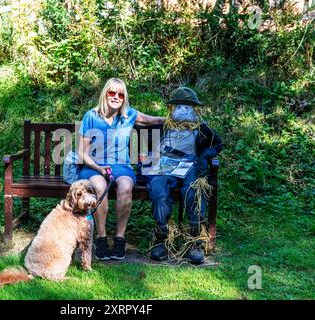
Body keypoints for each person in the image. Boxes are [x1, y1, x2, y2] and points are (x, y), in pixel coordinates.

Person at [77, 78, 164, 261]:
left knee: (125, 187)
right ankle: (101, 238)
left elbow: (152, 120)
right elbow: (82, 153)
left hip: (121, 167)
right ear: (105, 94)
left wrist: (176, 119)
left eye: (121, 94)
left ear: (124, 98)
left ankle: (119, 239)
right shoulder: (91, 116)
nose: (116, 97)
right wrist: (99, 168)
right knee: (99, 187)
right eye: (112, 93)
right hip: (93, 167)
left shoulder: (129, 115)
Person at [145, 86, 223, 264]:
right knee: (158, 188)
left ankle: (194, 240)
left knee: (193, 190)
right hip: (166, 163)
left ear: (195, 109)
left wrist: (204, 157)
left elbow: (217, 144)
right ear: (172, 108)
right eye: (179, 106)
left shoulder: (201, 127)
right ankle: (162, 238)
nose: (183, 110)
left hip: (190, 164)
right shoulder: (164, 126)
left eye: (188, 106)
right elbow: (148, 146)